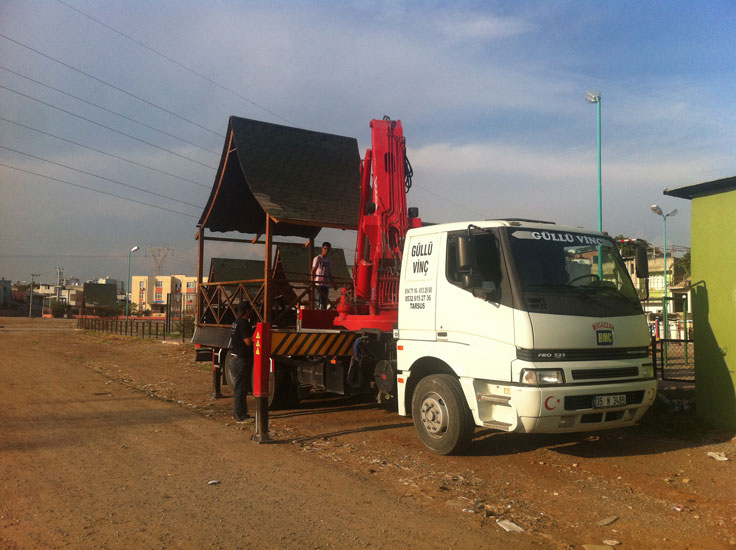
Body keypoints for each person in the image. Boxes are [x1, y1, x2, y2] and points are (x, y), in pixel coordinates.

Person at [229, 301, 253, 421]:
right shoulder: (244, 324)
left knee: (240, 387)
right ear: (247, 311)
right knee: (241, 388)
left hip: (235, 357)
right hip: (240, 359)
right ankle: (240, 415)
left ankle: (239, 413)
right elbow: (247, 341)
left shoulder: (235, 322)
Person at [311, 241, 336, 310]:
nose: (326, 250)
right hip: (318, 284)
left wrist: (334, 284)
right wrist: (312, 282)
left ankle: (323, 313)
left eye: (328, 249)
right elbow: (313, 271)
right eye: (325, 248)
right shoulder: (318, 258)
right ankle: (316, 313)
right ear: (322, 249)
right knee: (317, 302)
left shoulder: (329, 260)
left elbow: (329, 273)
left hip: (326, 284)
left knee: (324, 302)